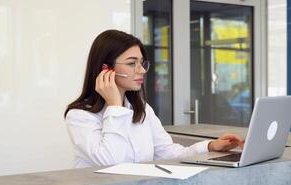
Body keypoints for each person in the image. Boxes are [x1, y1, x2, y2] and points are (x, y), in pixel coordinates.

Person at [64, 30, 244, 168]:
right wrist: (114, 107)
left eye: (142, 63)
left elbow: (168, 152)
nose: (141, 70)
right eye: (131, 63)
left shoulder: (141, 108)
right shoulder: (79, 116)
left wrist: (211, 146)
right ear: (106, 69)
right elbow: (111, 162)